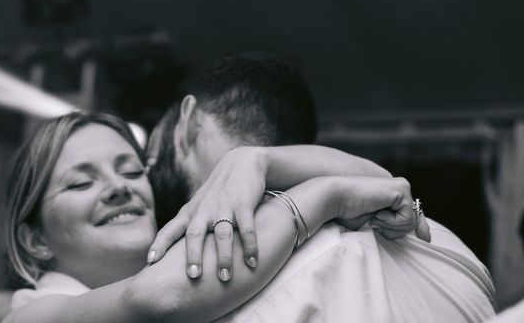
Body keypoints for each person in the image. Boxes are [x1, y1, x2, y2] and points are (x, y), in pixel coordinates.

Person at [146, 54, 496, 322]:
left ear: (188, 121)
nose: (145, 168)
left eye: (145, 155)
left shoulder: (221, 286)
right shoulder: (441, 242)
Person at [3, 110, 423, 323]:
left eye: (131, 170)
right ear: (35, 240)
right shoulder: (28, 314)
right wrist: (324, 196)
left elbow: (383, 183)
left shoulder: (192, 270)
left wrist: (257, 162)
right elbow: (155, 298)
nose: (119, 187)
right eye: (81, 183)